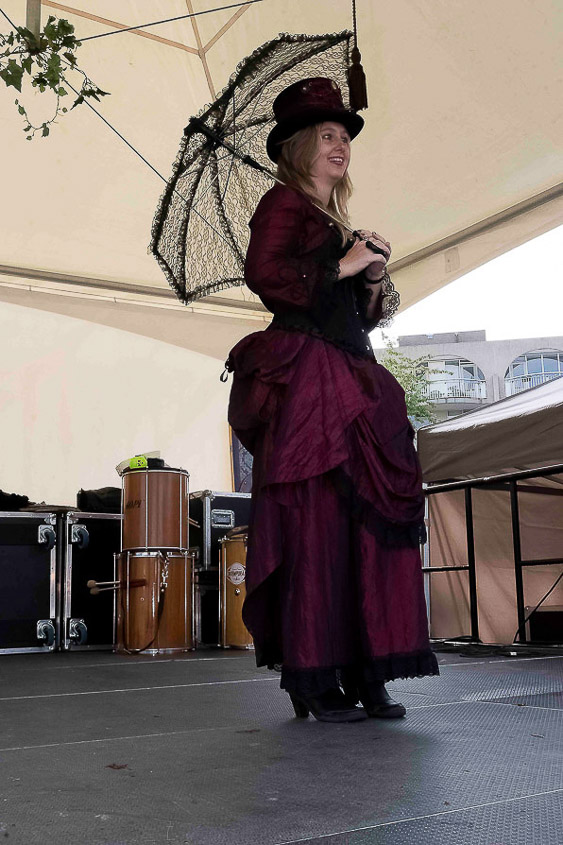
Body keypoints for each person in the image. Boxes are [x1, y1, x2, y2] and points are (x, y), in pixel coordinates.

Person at [226, 77, 439, 723]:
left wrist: (370, 274)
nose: (340, 144)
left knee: (363, 529)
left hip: (353, 374)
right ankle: (314, 677)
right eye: (326, 135)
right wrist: (341, 266)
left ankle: (368, 667)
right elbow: (264, 274)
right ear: (298, 147)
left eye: (344, 136)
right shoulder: (282, 203)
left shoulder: (334, 221)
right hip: (311, 382)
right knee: (317, 526)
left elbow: (362, 315)